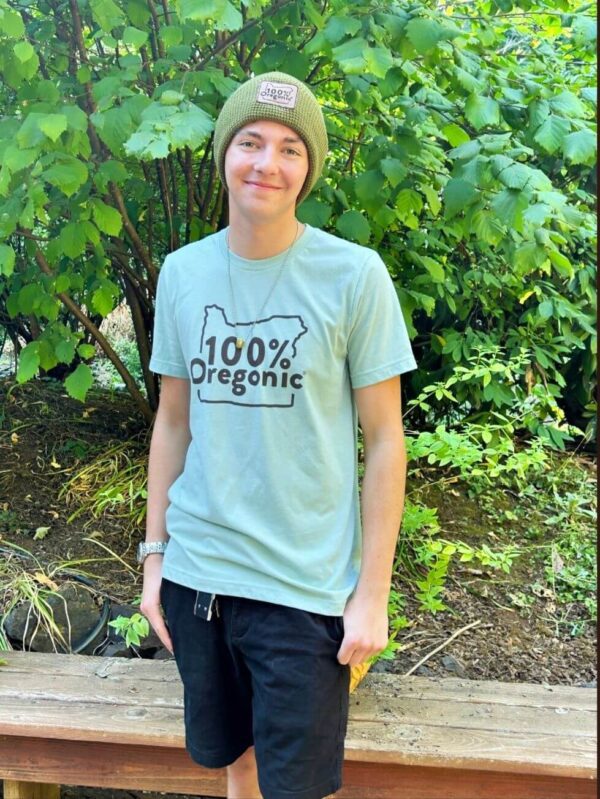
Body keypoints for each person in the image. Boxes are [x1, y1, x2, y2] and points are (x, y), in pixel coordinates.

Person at [140, 71, 418, 799]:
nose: (268, 162)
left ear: (309, 169)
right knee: (236, 763)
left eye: (291, 148)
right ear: (225, 154)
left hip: (305, 590)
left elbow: (386, 439)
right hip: (199, 580)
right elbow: (173, 421)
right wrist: (153, 560)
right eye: (251, 142)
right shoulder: (182, 273)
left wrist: (373, 594)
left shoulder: (354, 276)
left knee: (298, 787)